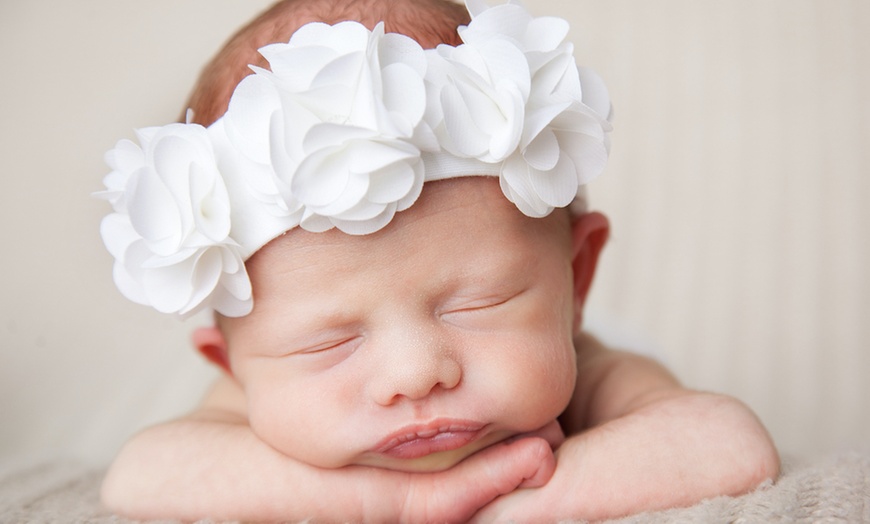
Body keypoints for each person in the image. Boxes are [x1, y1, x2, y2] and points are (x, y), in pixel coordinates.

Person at [96, 0, 780, 521]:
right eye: (329, 343)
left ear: (575, 280)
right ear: (231, 363)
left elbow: (726, 444)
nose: (415, 375)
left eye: (476, 304)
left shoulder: (594, 375)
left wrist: (511, 506)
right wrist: (399, 505)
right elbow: (140, 476)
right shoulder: (249, 402)